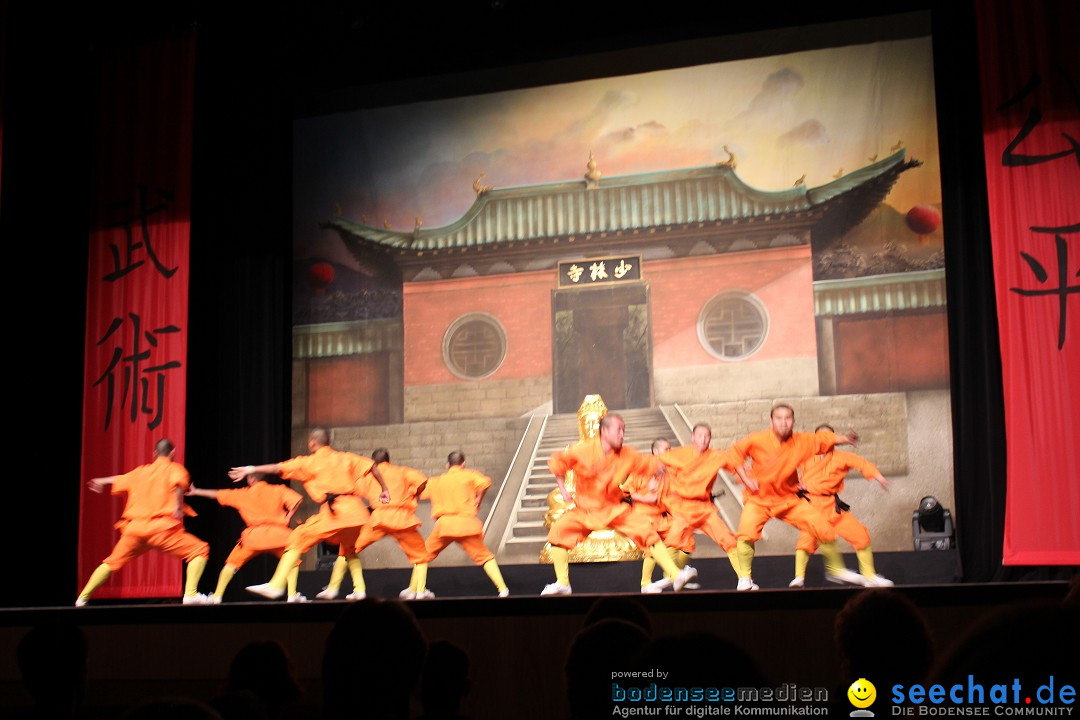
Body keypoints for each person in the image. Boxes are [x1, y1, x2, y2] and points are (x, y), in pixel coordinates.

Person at [542, 414, 695, 595]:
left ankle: (676, 574)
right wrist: (563, 490)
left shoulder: (626, 454)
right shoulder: (582, 450)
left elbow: (649, 463)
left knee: (646, 532)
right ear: (605, 432)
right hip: (586, 510)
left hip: (614, 508)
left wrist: (669, 463)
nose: (622, 434)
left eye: (624, 430)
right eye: (618, 430)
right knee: (558, 532)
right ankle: (563, 583)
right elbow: (558, 464)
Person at [231, 427, 389, 601]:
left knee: (298, 536)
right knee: (349, 550)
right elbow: (373, 466)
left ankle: (277, 585)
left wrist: (251, 469)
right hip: (358, 513)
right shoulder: (346, 457)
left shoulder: (309, 462)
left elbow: (277, 468)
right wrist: (385, 489)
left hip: (337, 512)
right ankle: (359, 590)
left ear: (312, 443)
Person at [729, 404, 863, 590]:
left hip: (788, 499)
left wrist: (846, 439)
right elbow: (735, 455)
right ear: (771, 421)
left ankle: (835, 569)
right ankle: (745, 578)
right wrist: (746, 479)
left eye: (788, 418)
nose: (783, 423)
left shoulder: (802, 440)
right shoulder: (757, 439)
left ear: (793, 421)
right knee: (745, 534)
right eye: (779, 418)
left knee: (822, 526)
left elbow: (823, 440)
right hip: (759, 500)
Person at [76, 438, 212, 606]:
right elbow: (178, 485)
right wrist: (177, 505)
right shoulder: (175, 469)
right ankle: (190, 594)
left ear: (154, 454)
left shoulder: (140, 472)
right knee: (199, 550)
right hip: (161, 529)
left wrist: (102, 481)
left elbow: (121, 478)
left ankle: (82, 598)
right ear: (172, 453)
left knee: (111, 562)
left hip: (135, 531)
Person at [789, 424, 893, 588]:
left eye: (828, 437)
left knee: (860, 535)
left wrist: (878, 477)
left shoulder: (842, 457)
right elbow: (786, 467)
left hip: (832, 506)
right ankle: (798, 578)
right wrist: (795, 483)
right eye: (820, 438)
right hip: (812, 506)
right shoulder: (805, 456)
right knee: (806, 540)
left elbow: (862, 464)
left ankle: (869, 576)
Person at [186, 473, 307, 603]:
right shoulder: (278, 489)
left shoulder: (243, 494)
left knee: (231, 564)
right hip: (279, 535)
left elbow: (218, 494)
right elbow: (297, 500)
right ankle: (292, 595)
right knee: (292, 561)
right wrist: (288, 517)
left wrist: (196, 491)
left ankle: (217, 596)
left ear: (251, 479)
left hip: (253, 537)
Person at [653, 423, 743, 590]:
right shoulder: (679, 454)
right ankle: (665, 579)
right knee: (672, 544)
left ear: (710, 438)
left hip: (704, 509)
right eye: (699, 435)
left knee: (728, 539)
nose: (703, 439)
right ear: (692, 437)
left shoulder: (717, 456)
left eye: (707, 435)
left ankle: (744, 578)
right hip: (682, 508)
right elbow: (655, 462)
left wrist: (749, 480)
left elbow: (736, 464)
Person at [418, 450, 509, 598]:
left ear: (447, 465)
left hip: (445, 525)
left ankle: (419, 591)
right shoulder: (470, 475)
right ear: (463, 464)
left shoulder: (437, 481)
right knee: (485, 557)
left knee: (421, 556)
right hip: (466, 524)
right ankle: (503, 589)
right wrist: (479, 499)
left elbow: (419, 493)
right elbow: (485, 483)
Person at [353, 448, 434, 599]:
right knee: (421, 556)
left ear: (374, 463)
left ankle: (357, 589)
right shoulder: (401, 471)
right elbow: (423, 480)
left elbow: (356, 489)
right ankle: (420, 592)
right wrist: (414, 493)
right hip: (400, 518)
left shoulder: (369, 476)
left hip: (378, 518)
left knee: (351, 548)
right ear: (388, 460)